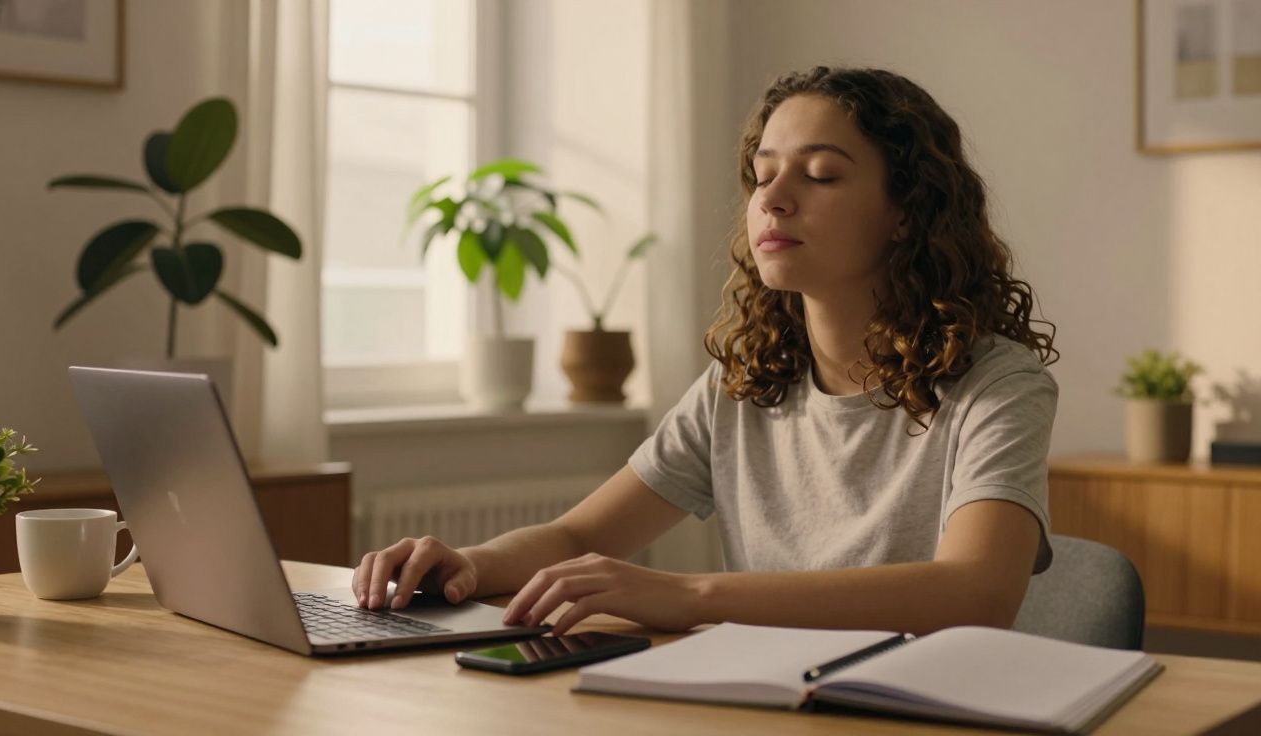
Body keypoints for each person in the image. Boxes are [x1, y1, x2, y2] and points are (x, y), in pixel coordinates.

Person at [352, 66, 1059, 637]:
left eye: (820, 174)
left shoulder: (997, 384)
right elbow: (575, 537)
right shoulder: (744, 382)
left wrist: (691, 596)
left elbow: (975, 593)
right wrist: (466, 565)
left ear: (906, 212)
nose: (773, 200)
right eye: (763, 173)